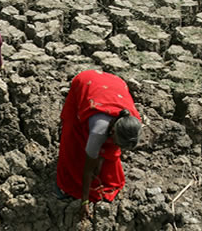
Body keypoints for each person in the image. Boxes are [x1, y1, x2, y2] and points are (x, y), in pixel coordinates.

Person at [55, 70, 142, 220]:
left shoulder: (132, 123)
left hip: (114, 85)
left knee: (105, 157)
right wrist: (85, 201)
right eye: (116, 142)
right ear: (113, 130)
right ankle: (65, 184)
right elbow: (88, 170)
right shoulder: (99, 130)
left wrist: (101, 160)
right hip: (85, 83)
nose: (115, 145)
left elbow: (111, 147)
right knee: (73, 142)